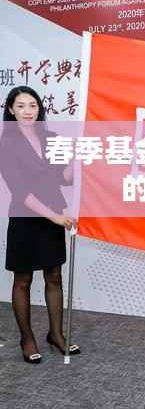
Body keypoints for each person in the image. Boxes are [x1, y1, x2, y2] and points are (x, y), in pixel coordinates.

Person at [0, 86, 80, 363]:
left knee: (54, 276)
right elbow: (19, 190)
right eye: (21, 106)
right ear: (11, 110)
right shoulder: (6, 144)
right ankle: (27, 339)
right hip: (26, 217)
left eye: (32, 105)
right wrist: (54, 216)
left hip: (53, 215)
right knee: (23, 280)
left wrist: (76, 158)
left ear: (39, 108)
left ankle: (56, 335)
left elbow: (63, 178)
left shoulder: (51, 138)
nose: (27, 111)